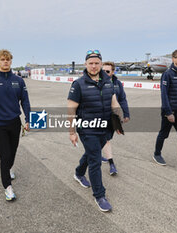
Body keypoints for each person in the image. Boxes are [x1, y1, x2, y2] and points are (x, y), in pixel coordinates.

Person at [68, 50, 122, 212]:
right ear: (85, 64)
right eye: (90, 63)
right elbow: (71, 109)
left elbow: (114, 102)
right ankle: (100, 195)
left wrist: (118, 122)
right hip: (87, 128)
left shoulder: (108, 81)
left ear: (101, 64)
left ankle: (78, 173)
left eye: (96, 63)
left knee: (93, 153)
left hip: (105, 126)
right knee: (95, 160)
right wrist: (72, 132)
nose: (93, 66)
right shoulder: (78, 84)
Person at [0, 49, 31, 201]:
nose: (5, 62)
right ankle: (8, 187)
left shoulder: (19, 80)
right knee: (5, 155)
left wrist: (29, 119)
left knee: (13, 151)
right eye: (2, 60)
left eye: (8, 60)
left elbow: (25, 101)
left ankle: (9, 169)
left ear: (11, 61)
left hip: (15, 122)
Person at [101, 61, 130, 176]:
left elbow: (122, 99)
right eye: (102, 71)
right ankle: (111, 164)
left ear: (113, 72)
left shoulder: (117, 83)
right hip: (99, 116)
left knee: (106, 138)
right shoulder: (96, 82)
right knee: (105, 139)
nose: (104, 73)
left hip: (112, 116)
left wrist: (126, 114)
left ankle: (100, 155)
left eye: (107, 71)